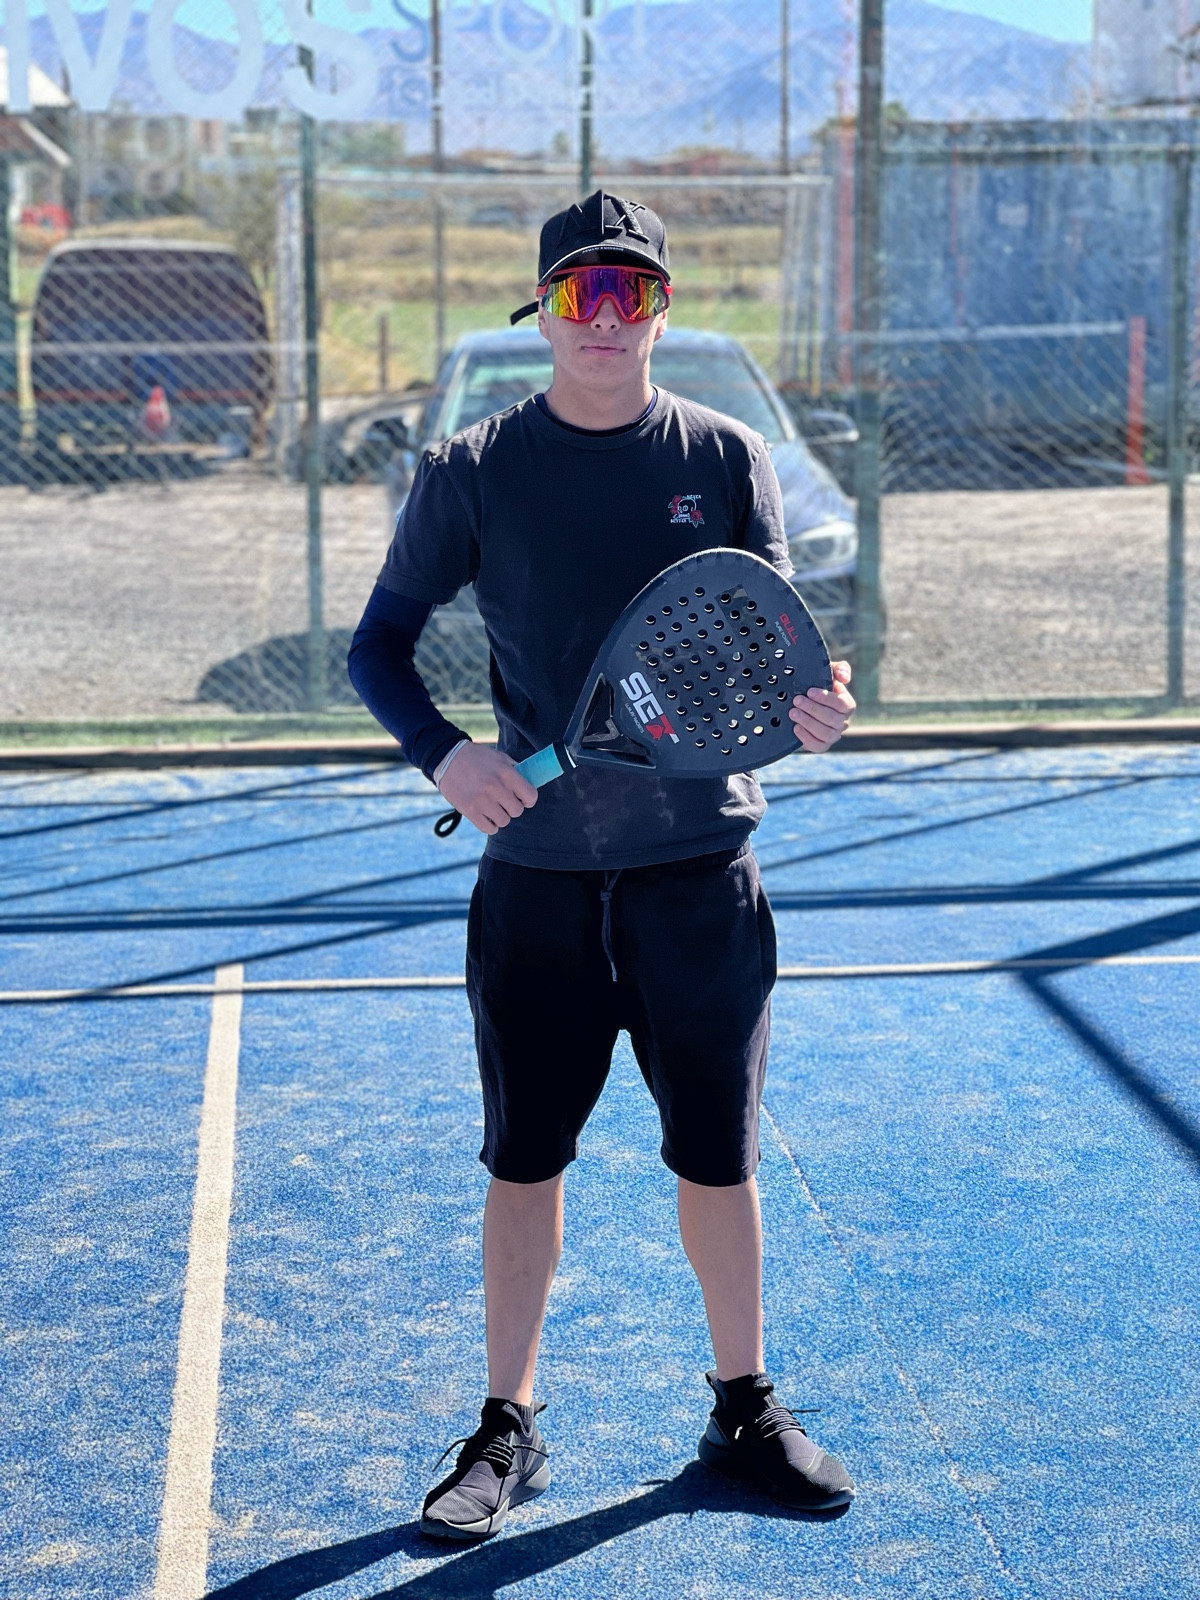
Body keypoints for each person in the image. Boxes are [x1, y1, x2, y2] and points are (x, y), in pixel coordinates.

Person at [347, 190, 858, 1542]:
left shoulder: (727, 456)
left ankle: (743, 1407)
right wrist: (446, 756)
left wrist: (815, 709)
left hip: (702, 874)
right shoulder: (472, 468)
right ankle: (507, 1424)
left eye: (634, 293)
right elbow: (376, 647)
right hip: (541, 882)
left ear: (663, 313)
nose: (607, 319)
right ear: (544, 311)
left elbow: (768, 649)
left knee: (719, 1160)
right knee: (524, 1160)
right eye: (582, 293)